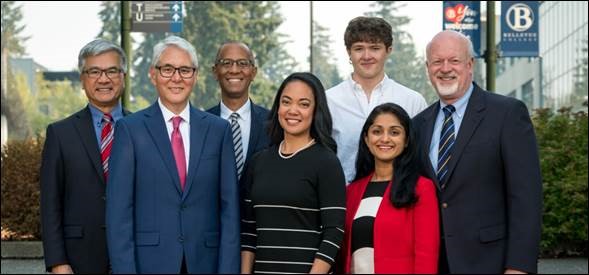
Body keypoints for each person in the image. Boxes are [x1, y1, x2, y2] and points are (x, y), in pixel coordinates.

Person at [106, 35, 240, 273]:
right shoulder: (130, 130)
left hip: (204, 263)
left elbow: (229, 210)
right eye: (167, 69)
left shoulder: (219, 130)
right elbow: (119, 214)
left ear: (195, 76)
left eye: (185, 70)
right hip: (150, 264)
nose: (176, 78)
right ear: (153, 74)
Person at [413, 30, 542, 273]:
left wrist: (519, 266)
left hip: (491, 262)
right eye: (437, 61)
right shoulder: (418, 125)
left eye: (454, 60)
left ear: (470, 64)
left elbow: (526, 198)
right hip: (433, 263)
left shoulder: (507, 114)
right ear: (428, 67)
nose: (445, 68)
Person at [240, 72, 346, 274]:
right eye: (286, 102)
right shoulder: (258, 162)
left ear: (316, 111)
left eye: (304, 104)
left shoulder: (327, 163)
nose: (293, 110)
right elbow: (249, 233)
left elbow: (334, 232)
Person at [40, 39, 129, 274]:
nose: (103, 79)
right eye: (94, 71)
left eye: (112, 70)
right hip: (78, 258)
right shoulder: (60, 134)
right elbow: (50, 204)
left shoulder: (144, 129)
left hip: (134, 257)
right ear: (82, 79)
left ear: (123, 76)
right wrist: (58, 263)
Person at [327, 16, 428, 184]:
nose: (367, 56)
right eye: (359, 48)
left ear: (388, 50)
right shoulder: (328, 100)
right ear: (348, 52)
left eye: (375, 48)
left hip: (399, 198)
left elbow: (420, 158)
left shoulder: (412, 101)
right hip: (343, 199)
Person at [340, 103, 439, 274]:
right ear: (366, 138)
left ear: (406, 140)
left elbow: (427, 256)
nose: (385, 139)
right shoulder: (352, 191)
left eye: (394, 132)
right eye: (377, 131)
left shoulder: (422, 188)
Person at [207, 41, 270, 180]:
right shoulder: (198, 124)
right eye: (226, 63)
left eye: (242, 63)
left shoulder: (273, 123)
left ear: (253, 72)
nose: (234, 70)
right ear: (215, 71)